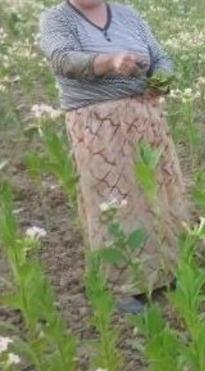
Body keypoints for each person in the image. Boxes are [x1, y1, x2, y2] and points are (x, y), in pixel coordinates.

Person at [39, 0, 188, 313]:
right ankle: (124, 285)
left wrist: (162, 79)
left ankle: (167, 271)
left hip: (145, 117)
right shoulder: (56, 19)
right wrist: (109, 61)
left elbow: (160, 56)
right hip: (96, 123)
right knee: (113, 199)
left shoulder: (127, 14)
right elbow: (63, 59)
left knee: (157, 192)